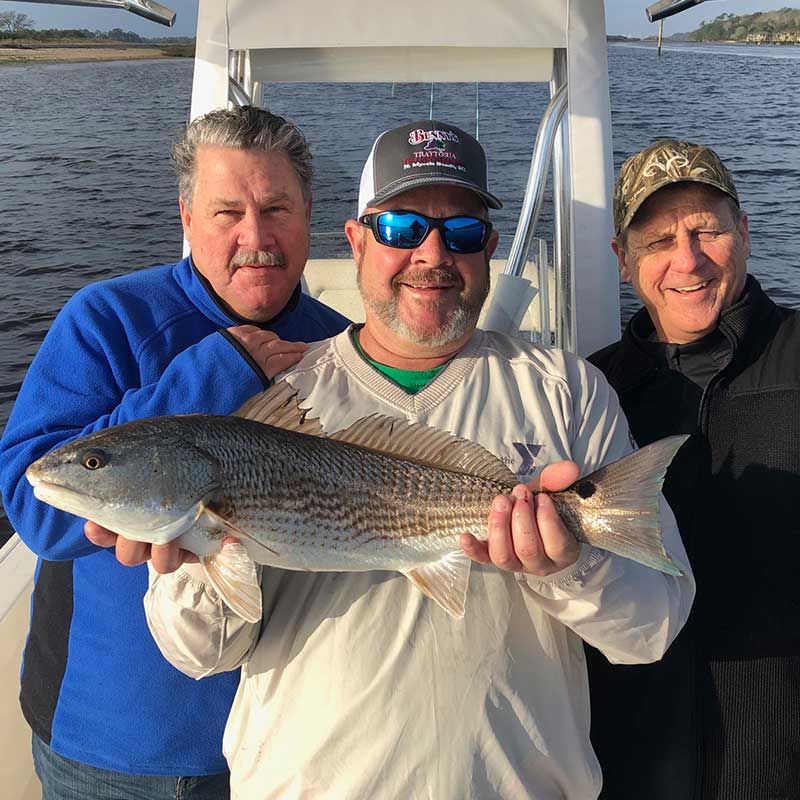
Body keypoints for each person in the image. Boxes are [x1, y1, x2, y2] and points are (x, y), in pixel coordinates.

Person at [91, 120, 695, 799]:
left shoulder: (567, 391)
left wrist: (570, 567)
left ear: (489, 249)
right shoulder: (278, 397)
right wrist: (198, 570)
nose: (431, 254)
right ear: (357, 240)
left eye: (461, 233)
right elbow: (199, 653)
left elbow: (652, 629)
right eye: (403, 228)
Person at [0, 106, 348, 799]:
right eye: (227, 213)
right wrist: (218, 368)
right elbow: (32, 498)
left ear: (308, 212)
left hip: (285, 739)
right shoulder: (109, 319)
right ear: (187, 218)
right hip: (113, 748)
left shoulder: (342, 347)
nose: (256, 236)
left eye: (276, 207)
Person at [585, 138, 800, 799]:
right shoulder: (590, 392)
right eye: (658, 240)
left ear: (744, 234)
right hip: (631, 760)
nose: (688, 258)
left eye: (706, 229)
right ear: (624, 260)